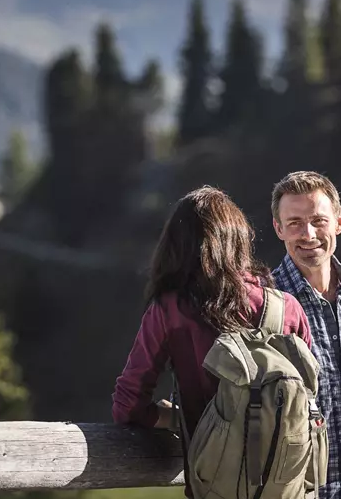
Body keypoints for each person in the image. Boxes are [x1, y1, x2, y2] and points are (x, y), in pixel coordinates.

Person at [112, 185, 311, 498]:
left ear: (176, 247)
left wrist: (175, 418)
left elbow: (127, 407)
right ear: (240, 240)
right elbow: (311, 403)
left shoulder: (170, 310)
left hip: (213, 487)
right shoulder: (287, 308)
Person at [272, 170, 341, 499]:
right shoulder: (264, 306)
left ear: (338, 222)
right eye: (295, 223)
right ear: (279, 229)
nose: (308, 234)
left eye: (318, 221)